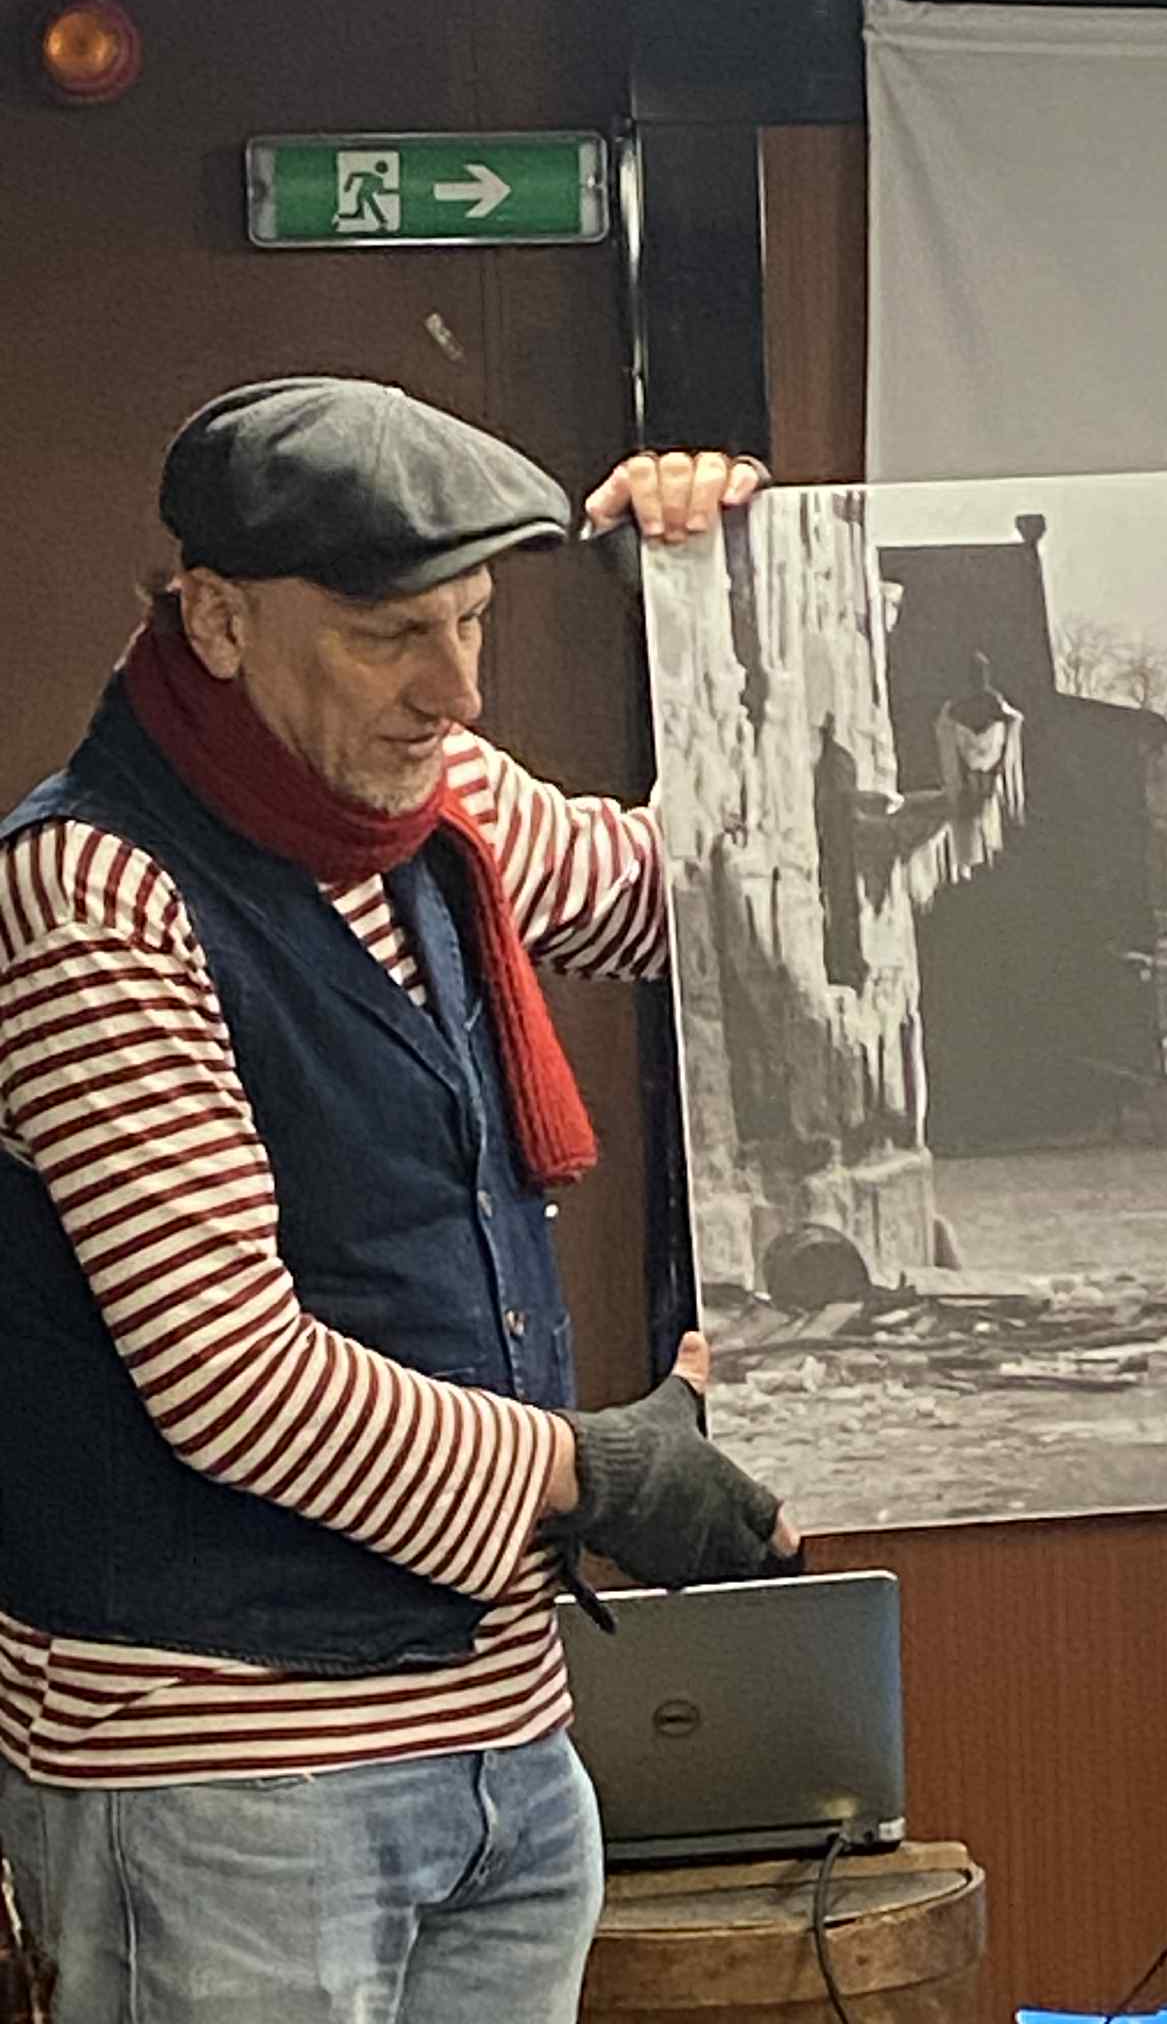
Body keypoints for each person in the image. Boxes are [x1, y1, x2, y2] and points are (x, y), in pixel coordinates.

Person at [0, 376, 796, 2024]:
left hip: (504, 1739)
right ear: (218, 620)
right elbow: (232, 1378)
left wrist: (723, 608)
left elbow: (729, 906)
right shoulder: (94, 892)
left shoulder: (443, 805)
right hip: (225, 1773)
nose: (456, 687)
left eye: (473, 619)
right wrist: (594, 1471)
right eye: (389, 638)